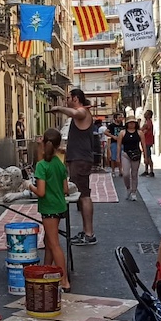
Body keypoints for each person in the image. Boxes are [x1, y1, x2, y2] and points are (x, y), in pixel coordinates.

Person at [50, 88, 97, 245]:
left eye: (68, 98)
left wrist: (58, 108)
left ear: (76, 99)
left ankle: (89, 234)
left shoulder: (82, 111)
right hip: (78, 159)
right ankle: (86, 232)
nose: (66, 100)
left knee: (83, 195)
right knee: (81, 195)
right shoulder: (81, 115)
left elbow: (77, 114)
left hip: (80, 160)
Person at [26, 128, 70, 291]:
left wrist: (29, 186)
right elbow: (66, 189)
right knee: (48, 241)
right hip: (59, 206)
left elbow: (41, 192)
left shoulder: (42, 166)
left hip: (49, 207)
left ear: (45, 143)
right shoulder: (59, 163)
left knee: (54, 243)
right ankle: (47, 270)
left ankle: (64, 279)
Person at [117, 115, 143, 201]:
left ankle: (134, 192)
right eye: (130, 123)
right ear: (127, 124)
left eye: (133, 123)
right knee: (126, 174)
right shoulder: (122, 133)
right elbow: (119, 145)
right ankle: (128, 188)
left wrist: (146, 157)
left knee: (134, 174)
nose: (132, 124)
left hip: (136, 154)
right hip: (125, 154)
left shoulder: (139, 133)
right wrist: (118, 157)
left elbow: (143, 144)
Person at [107, 112, 124, 177]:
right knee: (113, 158)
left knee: (121, 157)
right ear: (115, 118)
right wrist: (113, 136)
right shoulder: (111, 126)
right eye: (119, 117)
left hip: (122, 143)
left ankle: (120, 170)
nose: (120, 119)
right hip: (114, 143)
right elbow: (106, 132)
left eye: (121, 117)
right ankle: (113, 171)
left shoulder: (123, 126)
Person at [141, 109, 156, 176]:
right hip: (146, 141)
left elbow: (142, 130)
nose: (145, 114)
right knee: (146, 156)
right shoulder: (147, 122)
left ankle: (151, 171)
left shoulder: (148, 123)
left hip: (147, 141)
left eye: (146, 113)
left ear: (149, 115)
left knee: (148, 156)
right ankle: (146, 170)